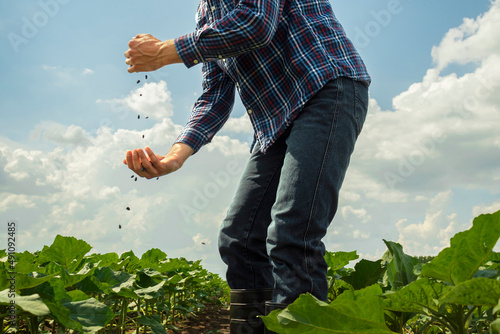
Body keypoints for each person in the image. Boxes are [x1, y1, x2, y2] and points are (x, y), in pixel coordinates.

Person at [124, 0, 370, 333]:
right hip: (274, 123)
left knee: (292, 232)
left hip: (325, 88)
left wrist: (165, 52)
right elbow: (215, 95)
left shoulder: (223, 22)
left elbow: (256, 24)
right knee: (239, 237)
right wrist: (173, 158)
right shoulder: (205, 15)